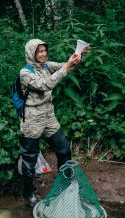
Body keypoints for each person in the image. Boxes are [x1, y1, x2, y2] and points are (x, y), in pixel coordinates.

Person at [19, 39, 89, 207]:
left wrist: (78, 55)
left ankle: (64, 185)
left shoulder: (47, 66)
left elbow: (67, 67)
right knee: (30, 158)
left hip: (48, 115)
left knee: (64, 148)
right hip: (32, 118)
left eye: (44, 50)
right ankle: (28, 194)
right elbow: (45, 84)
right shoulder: (25, 73)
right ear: (31, 54)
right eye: (39, 51)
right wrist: (66, 67)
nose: (43, 54)